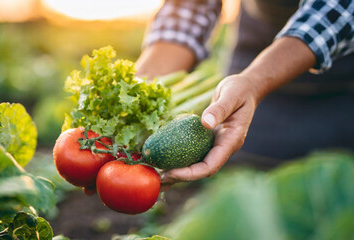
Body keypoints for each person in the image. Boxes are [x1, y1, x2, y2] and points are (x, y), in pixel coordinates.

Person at [135, 0, 354, 186]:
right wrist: (145, 88)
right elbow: (191, 6)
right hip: (252, 56)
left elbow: (339, 10)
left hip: (342, 82)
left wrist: (254, 82)